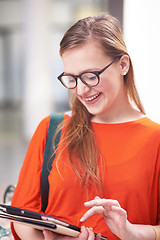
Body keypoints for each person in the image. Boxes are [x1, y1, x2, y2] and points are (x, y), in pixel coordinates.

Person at [11, 12, 160, 240]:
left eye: (91, 76)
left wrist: (130, 232)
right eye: (72, 78)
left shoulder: (155, 140)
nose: (80, 90)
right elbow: (22, 216)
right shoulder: (52, 130)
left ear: (123, 64)